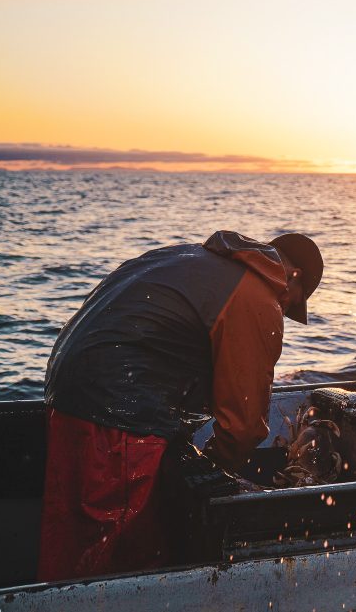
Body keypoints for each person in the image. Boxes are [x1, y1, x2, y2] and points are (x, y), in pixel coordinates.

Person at [37, 230, 323, 581]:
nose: (285, 309)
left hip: (66, 392)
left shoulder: (191, 259)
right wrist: (217, 473)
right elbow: (244, 426)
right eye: (292, 302)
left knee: (73, 538)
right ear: (293, 278)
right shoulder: (258, 295)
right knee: (125, 554)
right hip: (119, 413)